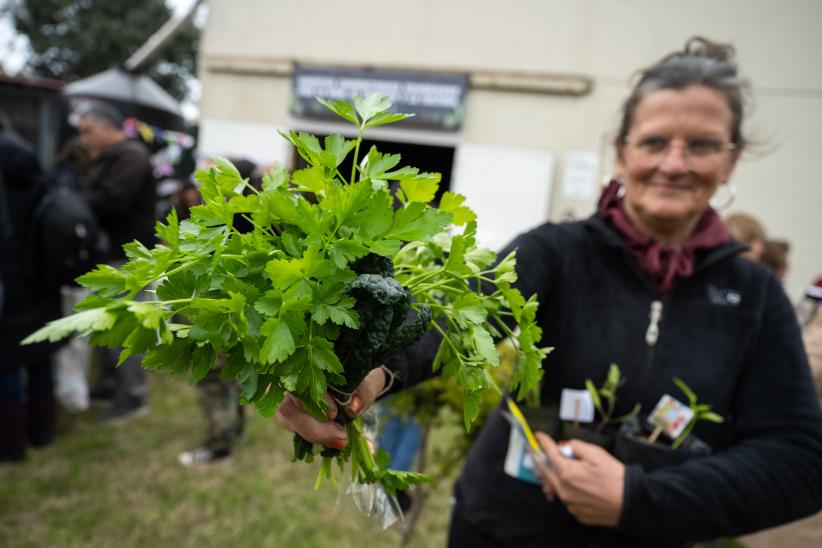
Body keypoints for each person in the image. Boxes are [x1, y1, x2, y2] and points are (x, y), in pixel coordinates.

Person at [276, 37, 822, 547]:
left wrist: (638, 498)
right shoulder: (557, 252)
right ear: (620, 149)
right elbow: (461, 314)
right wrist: (367, 375)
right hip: (502, 527)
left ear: (731, 157)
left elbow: (800, 461)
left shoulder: (754, 295)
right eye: (655, 141)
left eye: (701, 145)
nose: (674, 163)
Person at [77, 102, 156, 424]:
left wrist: (74, 201)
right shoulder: (110, 158)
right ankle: (110, 386)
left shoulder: (132, 156)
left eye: (87, 131)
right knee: (105, 327)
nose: (82, 139)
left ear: (109, 128)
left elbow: (113, 200)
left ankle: (134, 398)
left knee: (124, 330)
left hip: (130, 257)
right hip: (112, 255)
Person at [0, 131, 62, 461]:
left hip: (10, 282)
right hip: (40, 276)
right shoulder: (28, 158)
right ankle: (43, 430)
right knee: (40, 355)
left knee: (7, 365)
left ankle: (10, 445)